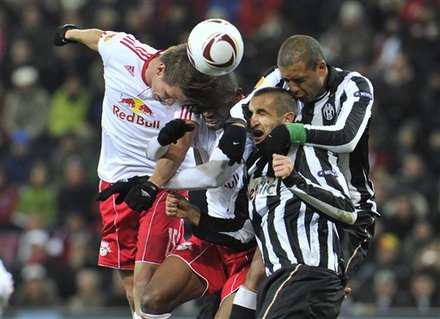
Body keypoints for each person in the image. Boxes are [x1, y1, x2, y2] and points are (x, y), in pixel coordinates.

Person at [53, 23, 217, 319]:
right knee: (129, 280)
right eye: (167, 95)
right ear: (160, 69)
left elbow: (178, 150)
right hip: (115, 180)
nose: (169, 101)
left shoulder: (187, 98)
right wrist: (70, 34)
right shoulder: (122, 51)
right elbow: (98, 38)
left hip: (164, 183)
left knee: (146, 277)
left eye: (172, 99)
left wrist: (152, 185)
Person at [169, 87, 357, 318]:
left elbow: (346, 210)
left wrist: (294, 179)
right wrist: (194, 214)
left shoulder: (308, 153)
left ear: (287, 119)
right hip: (276, 279)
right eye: (251, 114)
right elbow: (243, 234)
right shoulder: (256, 168)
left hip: (306, 273)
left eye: (262, 113)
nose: (253, 120)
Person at [219, 34, 378, 295]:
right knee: (256, 276)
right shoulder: (279, 77)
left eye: (299, 80)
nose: (291, 88)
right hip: (292, 201)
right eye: (288, 80)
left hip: (347, 209)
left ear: (321, 68)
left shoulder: (354, 85)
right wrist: (236, 128)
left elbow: (347, 137)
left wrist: (291, 131)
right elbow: (242, 110)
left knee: (320, 287)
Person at [139, 72, 257, 319]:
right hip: (212, 240)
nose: (209, 112)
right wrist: (164, 138)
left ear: (237, 97)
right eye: (204, 105)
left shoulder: (248, 134)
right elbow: (153, 154)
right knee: (151, 300)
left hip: (249, 250)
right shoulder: (197, 119)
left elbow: (213, 177)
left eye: (216, 105)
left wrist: (157, 185)